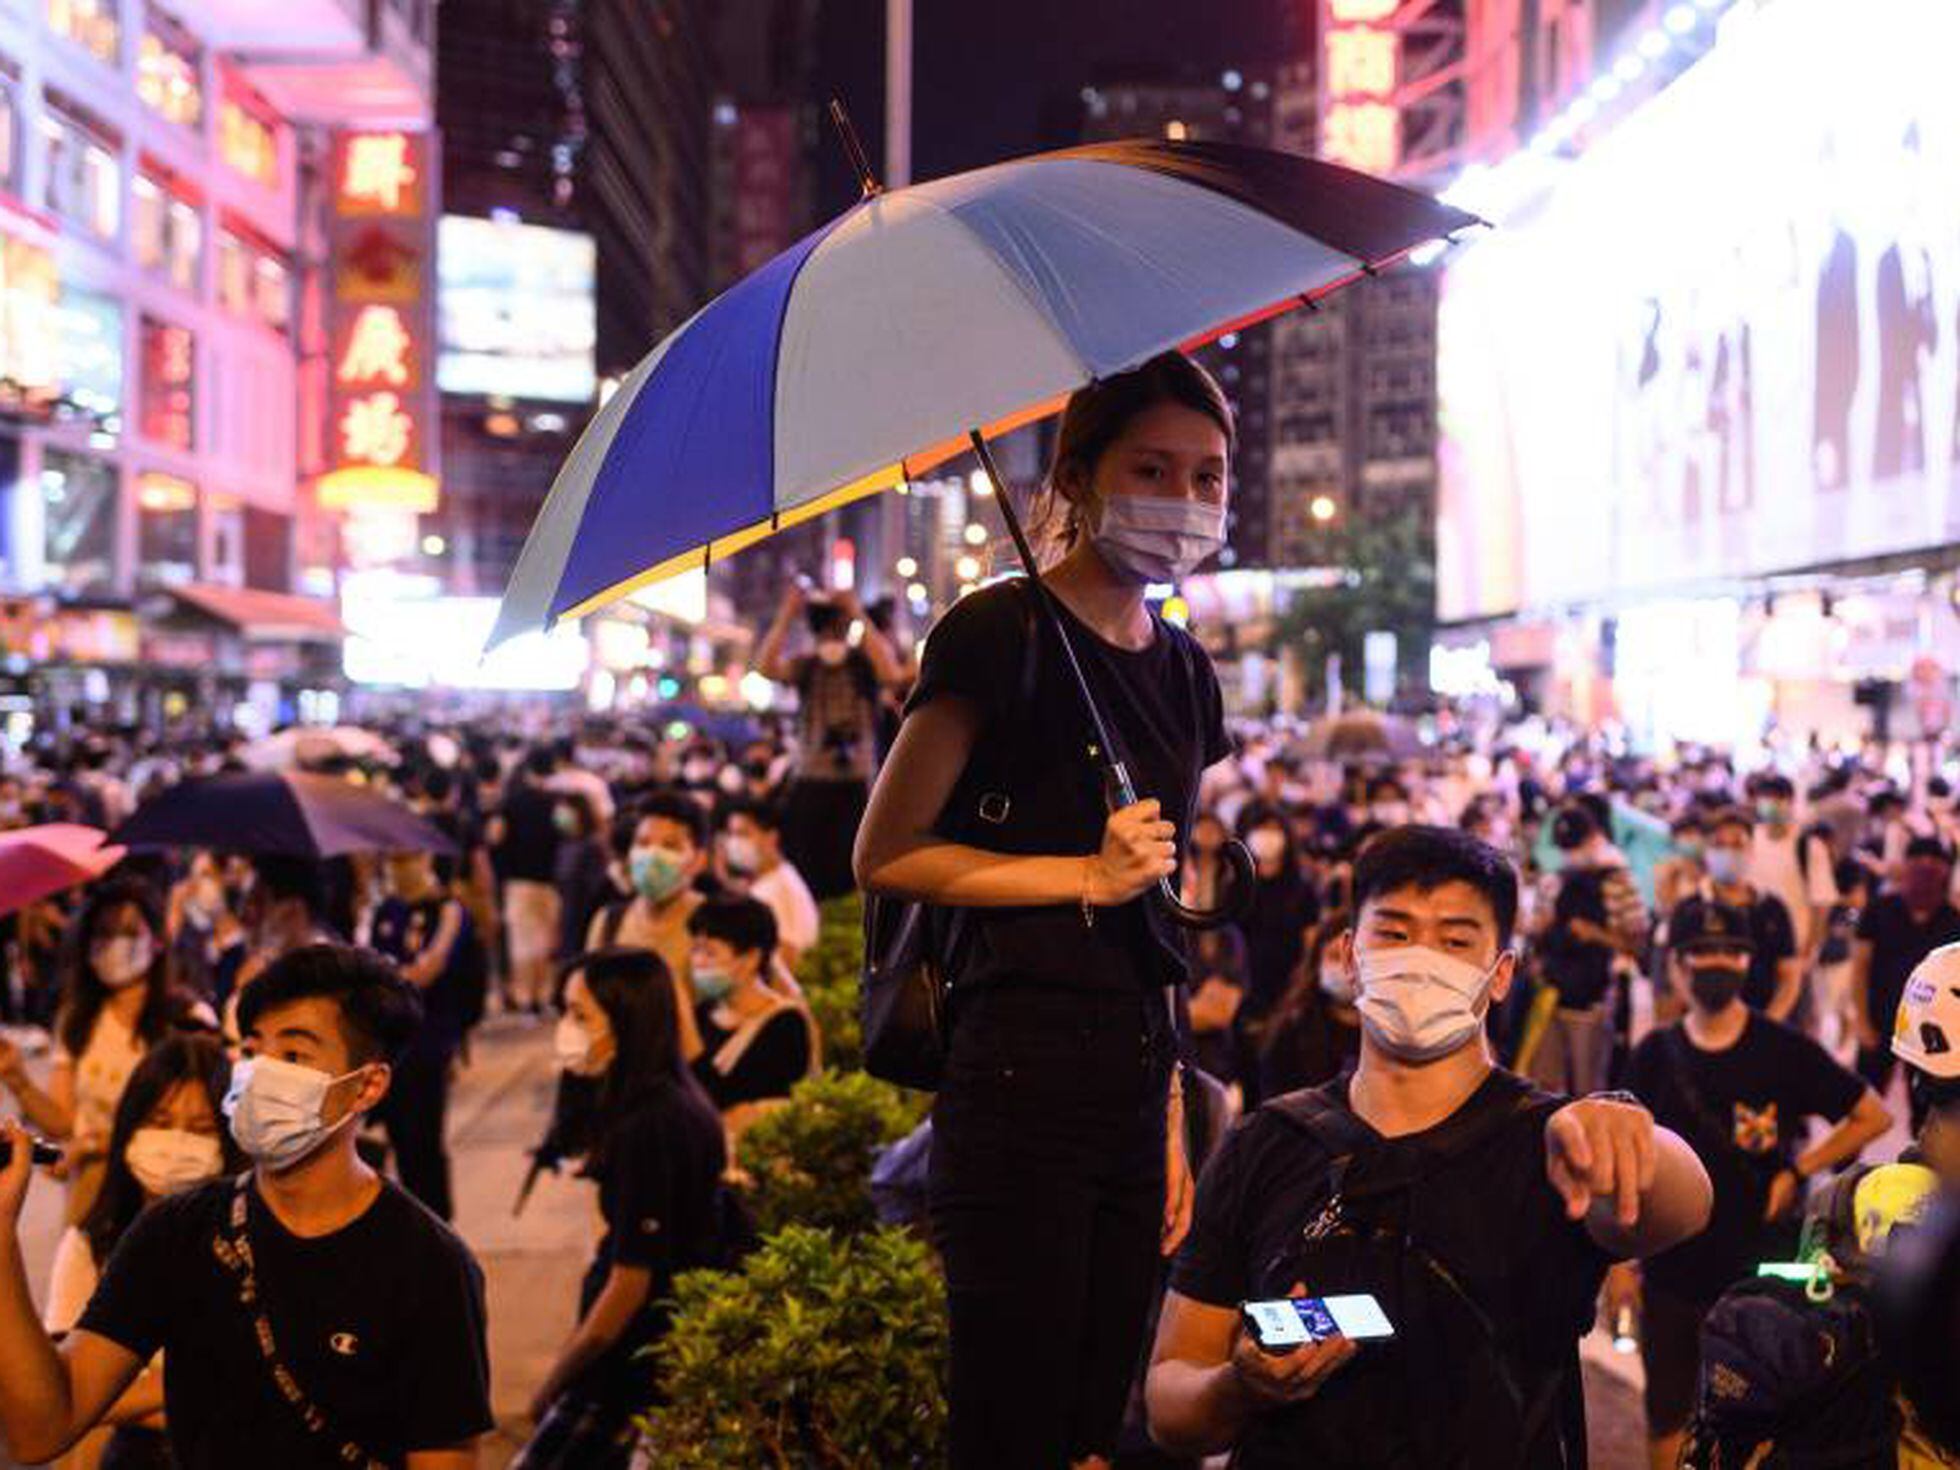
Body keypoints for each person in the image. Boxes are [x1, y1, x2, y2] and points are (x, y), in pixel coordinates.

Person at [855, 352, 1237, 1470]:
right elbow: (886, 850)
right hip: (1014, 1076)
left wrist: (1170, 1110)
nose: (1182, 501)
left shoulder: (1184, 672)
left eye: (1208, 477)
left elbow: (1155, 926)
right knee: (1009, 1423)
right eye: (1152, 469)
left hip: (1134, 1079)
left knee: (1093, 1425)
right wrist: (1075, 875)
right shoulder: (996, 634)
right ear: (1077, 477)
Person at [1146, 826, 1714, 1467]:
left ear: (1500, 975)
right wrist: (1238, 1386)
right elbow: (1170, 1402)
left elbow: (1684, 1206)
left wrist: (1630, 1129)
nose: (1420, 957)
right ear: (1349, 954)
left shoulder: (1554, 1143)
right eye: (1393, 932)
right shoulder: (1266, 1143)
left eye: (1454, 940)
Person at [0, 945, 493, 1468]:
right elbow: (44, 1428)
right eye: (253, 1048)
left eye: (294, 1056)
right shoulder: (176, 1232)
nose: (260, 1074)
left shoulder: (427, 1264)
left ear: (366, 1086)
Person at [1613, 898, 1889, 1470]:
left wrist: (1800, 1169)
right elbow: (1623, 1163)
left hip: (1759, 1279)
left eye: (1730, 951)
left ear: (1747, 962)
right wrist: (1618, 1265)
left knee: (1763, 1428)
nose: (1717, 962)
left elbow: (1872, 1113)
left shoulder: (1781, 1048)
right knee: (1666, 1418)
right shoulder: (1652, 1056)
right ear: (1679, 963)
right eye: (1701, 952)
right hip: (1669, 1274)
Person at [521, 948, 729, 1468]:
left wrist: (553, 1381)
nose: (567, 1029)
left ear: (625, 1023)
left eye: (580, 1015)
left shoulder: (648, 1126)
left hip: (633, 1371)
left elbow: (628, 1285)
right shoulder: (668, 1099)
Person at [43, 1033, 239, 1470]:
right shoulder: (90, 1244)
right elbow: (61, 1395)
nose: (175, 1143)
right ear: (129, 1129)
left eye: (202, 1130)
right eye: (160, 1121)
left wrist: (123, 1389)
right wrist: (193, 1388)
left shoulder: (247, 1242)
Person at [0, 878, 212, 1225]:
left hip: (168, 1199)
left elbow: (203, 1123)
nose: (115, 943)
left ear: (157, 941)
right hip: (94, 1201)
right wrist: (16, 1078)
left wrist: (97, 1145)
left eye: (128, 932)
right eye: (103, 933)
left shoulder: (188, 1019)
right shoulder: (78, 1020)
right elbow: (63, 1121)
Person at [757, 585, 903, 901]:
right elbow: (766, 667)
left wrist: (857, 613)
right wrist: (787, 614)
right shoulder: (806, 665)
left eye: (837, 627)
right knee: (808, 872)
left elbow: (891, 672)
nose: (831, 636)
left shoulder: (862, 664)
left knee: (851, 875)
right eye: (824, 629)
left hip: (853, 782)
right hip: (811, 779)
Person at [365, 848, 478, 1221]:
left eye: (407, 859)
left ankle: (438, 1224)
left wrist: (390, 978)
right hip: (390, 1047)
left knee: (425, 1140)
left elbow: (429, 969)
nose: (399, 868)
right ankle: (412, 1223)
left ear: (427, 860)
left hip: (430, 1043)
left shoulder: (448, 910)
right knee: (399, 1138)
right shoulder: (386, 911)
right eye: (394, 861)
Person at [1532, 803, 1648, 1096]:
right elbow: (1535, 931)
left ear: (1595, 837)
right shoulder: (1553, 881)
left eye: (1576, 845)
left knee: (1590, 1086)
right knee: (1545, 1082)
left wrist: (1595, 934)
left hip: (1596, 999)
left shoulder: (1619, 881)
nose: (1571, 854)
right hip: (1551, 995)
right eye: (1565, 847)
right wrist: (1542, 928)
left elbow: (1637, 945)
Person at [586, 792, 711, 1064]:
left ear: (699, 859)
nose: (653, 855)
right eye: (643, 843)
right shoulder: (608, 922)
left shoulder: (716, 923)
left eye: (670, 846)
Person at [685, 895, 815, 1138]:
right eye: (695, 950)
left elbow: (740, 1105)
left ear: (751, 957)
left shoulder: (785, 1024)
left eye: (710, 953)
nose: (698, 962)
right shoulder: (702, 1012)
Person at [1851, 835, 1960, 1105]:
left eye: (1934, 862)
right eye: (1918, 860)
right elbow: (1860, 968)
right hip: (1879, 1018)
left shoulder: (1953, 918)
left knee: (1927, 1111)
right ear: (1905, 865)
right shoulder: (1879, 909)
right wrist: (1862, 1022)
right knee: (1863, 1103)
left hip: (1933, 1032)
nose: (1926, 867)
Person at [1234, 805, 1320, 1104]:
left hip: (1287, 986)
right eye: (1261, 828)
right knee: (1248, 1073)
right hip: (1246, 986)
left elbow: (1311, 945)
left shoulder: (1303, 888)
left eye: (1274, 829)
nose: (1267, 837)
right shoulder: (1238, 883)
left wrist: (1297, 992)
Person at [1694, 807, 1803, 1019]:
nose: (1728, 852)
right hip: (1705, 1027)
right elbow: (1677, 975)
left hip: (1762, 1023)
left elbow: (1789, 977)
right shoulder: (1692, 909)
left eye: (1737, 845)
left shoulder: (1773, 908)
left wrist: (1767, 1025)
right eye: (1719, 845)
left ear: (1751, 849)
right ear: (1707, 851)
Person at [1256, 913, 1361, 1100]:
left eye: (1354, 960)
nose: (1346, 970)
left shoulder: (1388, 1036)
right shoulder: (1290, 1032)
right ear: (1317, 962)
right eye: (1335, 957)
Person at [493, 747, 564, 1016]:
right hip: (550, 880)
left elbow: (498, 839)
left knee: (522, 943)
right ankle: (542, 997)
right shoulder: (558, 802)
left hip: (519, 881)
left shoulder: (512, 801)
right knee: (547, 942)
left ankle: (525, 1000)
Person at [718, 798, 819, 972]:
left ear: (771, 837)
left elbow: (788, 956)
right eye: (731, 834)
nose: (735, 843)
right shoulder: (776, 878)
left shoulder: (776, 890)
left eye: (743, 834)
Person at [550, 792, 614, 964]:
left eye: (565, 810)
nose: (560, 815)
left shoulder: (592, 847)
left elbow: (596, 891)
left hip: (584, 922)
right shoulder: (565, 845)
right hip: (567, 921)